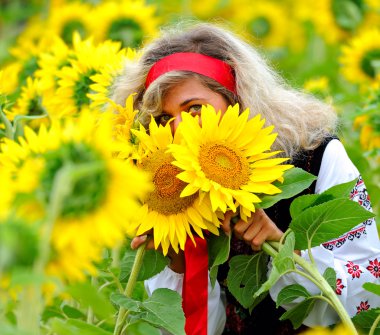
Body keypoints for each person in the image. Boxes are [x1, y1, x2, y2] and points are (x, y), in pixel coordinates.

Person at [111, 22, 380, 334]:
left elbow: (366, 296)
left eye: (195, 109)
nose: (180, 129)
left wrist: (283, 247)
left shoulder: (315, 157)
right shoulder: (166, 198)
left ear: (236, 98)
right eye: (163, 119)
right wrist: (180, 268)